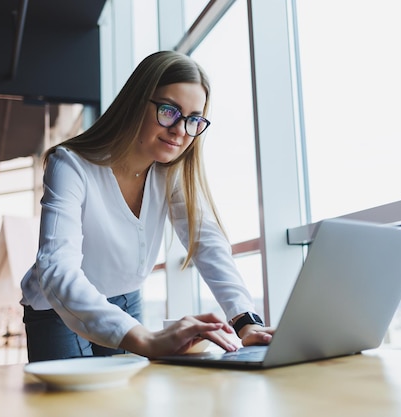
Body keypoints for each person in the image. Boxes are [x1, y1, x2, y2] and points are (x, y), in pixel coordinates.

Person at [20, 50, 273, 362]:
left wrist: (244, 321)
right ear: (137, 102)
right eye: (169, 111)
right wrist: (145, 338)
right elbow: (57, 269)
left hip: (125, 299)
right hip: (56, 308)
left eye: (193, 119)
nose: (180, 130)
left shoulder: (171, 171)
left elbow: (207, 243)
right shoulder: (70, 165)